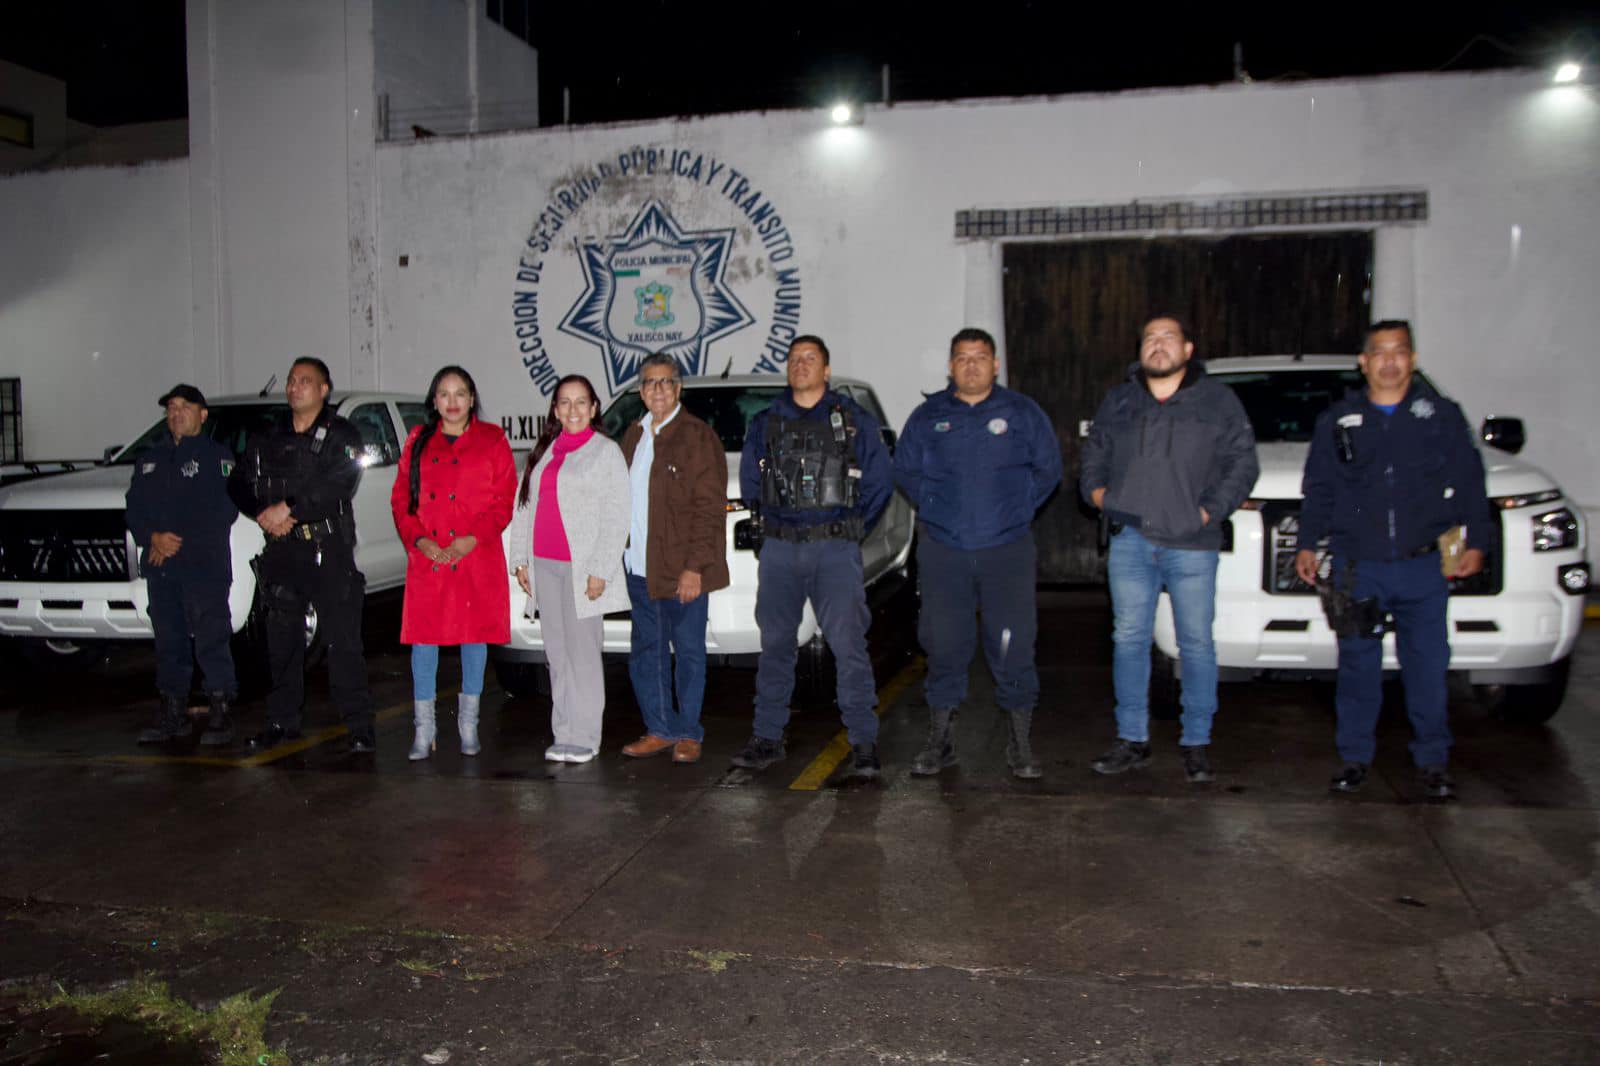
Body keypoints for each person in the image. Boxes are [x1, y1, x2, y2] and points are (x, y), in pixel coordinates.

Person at [1294, 320, 1493, 800]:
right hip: (1358, 566)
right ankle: (1355, 758)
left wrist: (1478, 542)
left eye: (1399, 351)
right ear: (1363, 363)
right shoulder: (1339, 419)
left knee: (1427, 667)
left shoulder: (1441, 416)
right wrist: (1307, 542)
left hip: (1421, 566)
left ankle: (1432, 761)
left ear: (1413, 359)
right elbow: (1319, 488)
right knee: (1358, 667)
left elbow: (1471, 483)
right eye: (1379, 353)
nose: (1389, 361)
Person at [1080, 314, 1259, 782]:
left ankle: (1196, 743)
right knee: (1128, 639)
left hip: (1192, 544)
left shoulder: (1217, 401)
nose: (1158, 345)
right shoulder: (1120, 400)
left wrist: (1207, 513)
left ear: (1188, 349)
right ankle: (1132, 739)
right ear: (1140, 349)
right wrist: (1100, 496)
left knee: (1195, 643)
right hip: (1131, 541)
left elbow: (1243, 463)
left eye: (1168, 337)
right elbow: (1094, 452)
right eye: (1150, 338)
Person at [893, 328, 1062, 779]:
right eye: (963, 358)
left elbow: (1049, 469)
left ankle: (1020, 744)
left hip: (1006, 550)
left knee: (1012, 645)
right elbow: (905, 469)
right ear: (951, 366)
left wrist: (1017, 510)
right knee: (944, 644)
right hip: (944, 551)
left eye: (980, 357)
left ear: (996, 364)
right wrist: (935, 508)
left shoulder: (1022, 412)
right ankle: (941, 741)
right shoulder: (928, 416)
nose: (971, 365)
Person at [735, 334, 894, 778]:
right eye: (794, 358)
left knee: (848, 646)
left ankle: (863, 743)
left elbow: (881, 481)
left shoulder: (853, 420)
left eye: (810, 358)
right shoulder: (766, 422)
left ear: (826, 370)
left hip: (834, 550)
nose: (800, 364)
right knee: (776, 647)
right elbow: (751, 485)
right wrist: (772, 531)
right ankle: (768, 738)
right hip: (781, 551)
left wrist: (850, 529)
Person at [228, 357, 375, 754]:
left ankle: (359, 727)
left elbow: (340, 482)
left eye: (304, 381)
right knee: (282, 642)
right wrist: (262, 512)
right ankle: (281, 723)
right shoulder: (268, 435)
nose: (294, 387)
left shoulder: (342, 434)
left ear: (324, 389)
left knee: (343, 642)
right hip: (282, 549)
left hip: (328, 551)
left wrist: (288, 508)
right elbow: (238, 481)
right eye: (291, 381)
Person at [391, 365, 516, 761]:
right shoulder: (417, 440)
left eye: (460, 393)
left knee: (473, 636)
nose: (452, 402)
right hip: (429, 557)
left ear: (472, 398)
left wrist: (471, 539)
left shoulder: (492, 439)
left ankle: (468, 725)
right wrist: (420, 540)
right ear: (434, 400)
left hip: (475, 554)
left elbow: (503, 500)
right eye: (444, 394)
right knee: (423, 640)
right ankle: (424, 728)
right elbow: (401, 500)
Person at [507, 375, 631, 764]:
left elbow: (618, 515)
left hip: (582, 571)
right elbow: (524, 506)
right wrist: (520, 558)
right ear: (556, 410)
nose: (573, 410)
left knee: (583, 654)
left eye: (581, 402)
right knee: (557, 655)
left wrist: (601, 569)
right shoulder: (544, 451)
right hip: (544, 566)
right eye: (565, 402)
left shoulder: (606, 452)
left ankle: (586, 736)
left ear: (593, 408)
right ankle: (563, 732)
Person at [618, 353, 730, 765]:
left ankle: (688, 733)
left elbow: (709, 508)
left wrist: (694, 567)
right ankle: (660, 729)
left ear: (679, 388)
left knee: (688, 653)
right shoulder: (634, 436)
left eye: (666, 382)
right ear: (640, 391)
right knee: (647, 654)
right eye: (650, 382)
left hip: (682, 571)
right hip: (640, 569)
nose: (658, 390)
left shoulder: (698, 436)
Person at [125, 384, 241, 746]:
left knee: (211, 640)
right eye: (171, 408)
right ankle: (173, 714)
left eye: (185, 407)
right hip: (162, 568)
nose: (176, 413)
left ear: (202, 415)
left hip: (203, 566)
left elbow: (223, 509)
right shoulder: (150, 460)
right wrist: (152, 537)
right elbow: (134, 508)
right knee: (169, 643)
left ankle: (220, 712)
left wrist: (175, 539)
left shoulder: (217, 457)